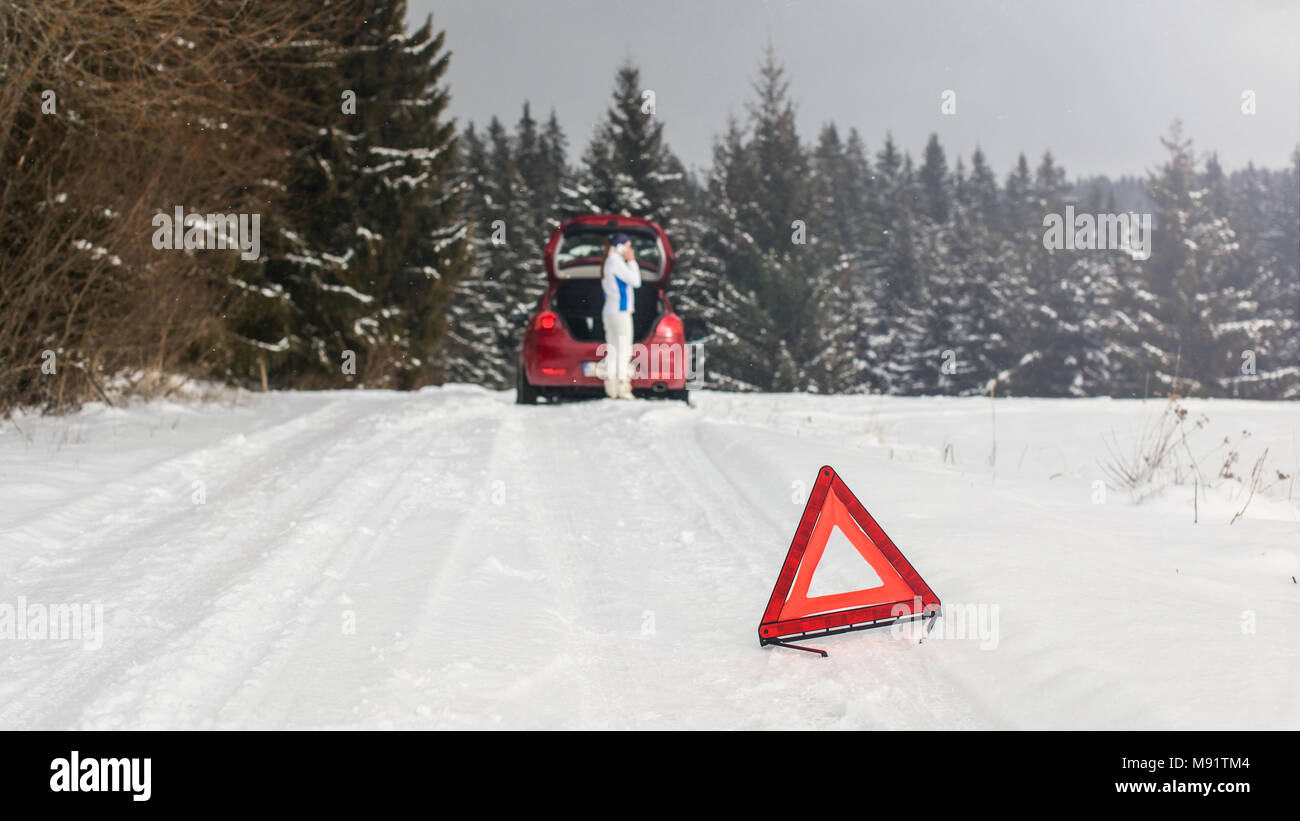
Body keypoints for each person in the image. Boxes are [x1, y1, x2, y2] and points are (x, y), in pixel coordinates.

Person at [600, 233, 641, 399]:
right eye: (628, 246)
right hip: (620, 311)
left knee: (613, 350)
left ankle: (611, 386)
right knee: (624, 350)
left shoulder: (609, 262)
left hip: (609, 311)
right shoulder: (616, 262)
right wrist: (631, 261)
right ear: (620, 247)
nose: (630, 250)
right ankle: (623, 387)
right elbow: (636, 281)